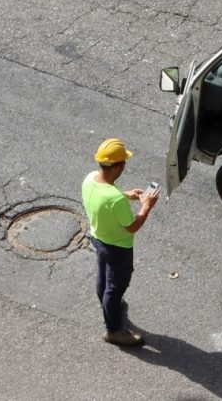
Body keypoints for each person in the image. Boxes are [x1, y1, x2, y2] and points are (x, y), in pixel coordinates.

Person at [81, 137, 159, 346]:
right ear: (117, 167)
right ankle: (114, 331)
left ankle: (110, 306)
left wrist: (129, 196)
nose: (125, 166)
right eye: (124, 162)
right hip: (118, 247)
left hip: (98, 238)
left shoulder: (90, 179)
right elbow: (132, 226)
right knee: (115, 288)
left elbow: (104, 198)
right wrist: (146, 206)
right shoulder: (115, 199)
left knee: (104, 278)